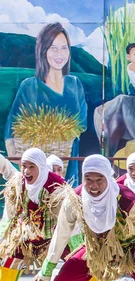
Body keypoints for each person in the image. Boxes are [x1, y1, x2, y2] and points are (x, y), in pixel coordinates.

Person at [0, 149, 108, 281]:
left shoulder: (56, 190)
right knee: (9, 261)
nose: (26, 171)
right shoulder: (19, 182)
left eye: (31, 167)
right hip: (29, 236)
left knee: (81, 265)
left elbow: (70, 222)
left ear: (41, 167)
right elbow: (6, 168)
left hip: (56, 236)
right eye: (24, 166)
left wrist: (82, 245)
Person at [5, 23, 86, 183]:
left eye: (64, 48)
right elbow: (12, 125)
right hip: (35, 165)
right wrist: (16, 156)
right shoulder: (29, 86)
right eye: (53, 48)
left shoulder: (74, 84)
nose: (59, 54)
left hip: (67, 162)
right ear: (43, 51)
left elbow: (82, 123)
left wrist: (63, 132)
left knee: (65, 201)